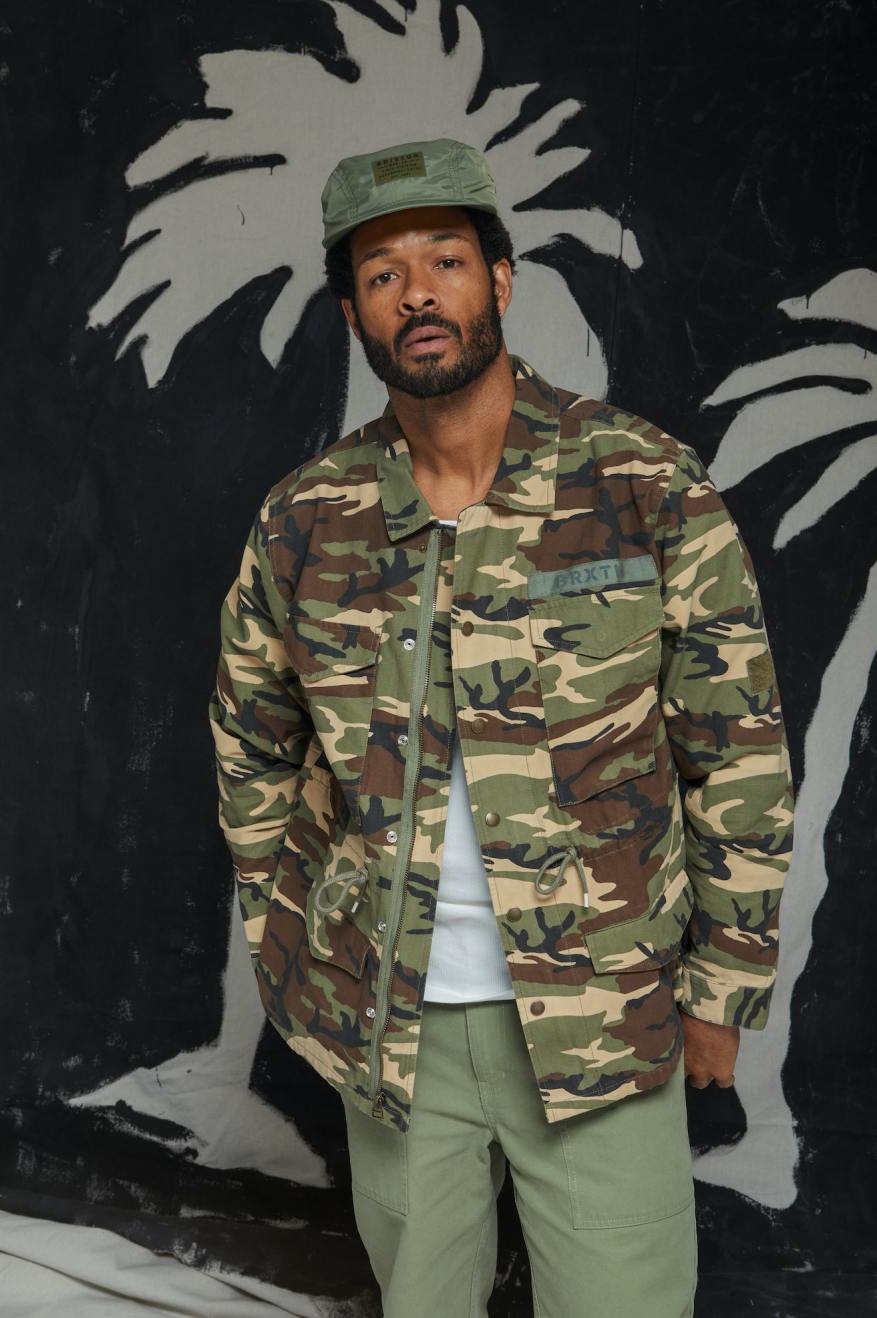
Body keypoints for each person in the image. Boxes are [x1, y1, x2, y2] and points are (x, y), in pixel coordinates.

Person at [208, 137, 794, 1318]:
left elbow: (733, 745)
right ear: (354, 315)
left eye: (445, 260)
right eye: (382, 274)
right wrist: (291, 947)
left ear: (501, 281)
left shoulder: (641, 484)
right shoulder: (305, 522)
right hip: (392, 1029)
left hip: (602, 1021)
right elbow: (252, 746)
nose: (416, 292)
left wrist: (721, 985)